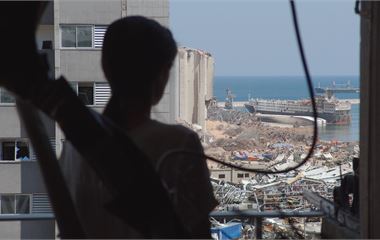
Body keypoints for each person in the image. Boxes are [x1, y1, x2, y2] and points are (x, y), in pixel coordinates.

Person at [0, 8, 217, 239]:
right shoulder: (180, 143)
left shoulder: (74, 148)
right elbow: (198, 233)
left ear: (106, 68)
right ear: (161, 76)